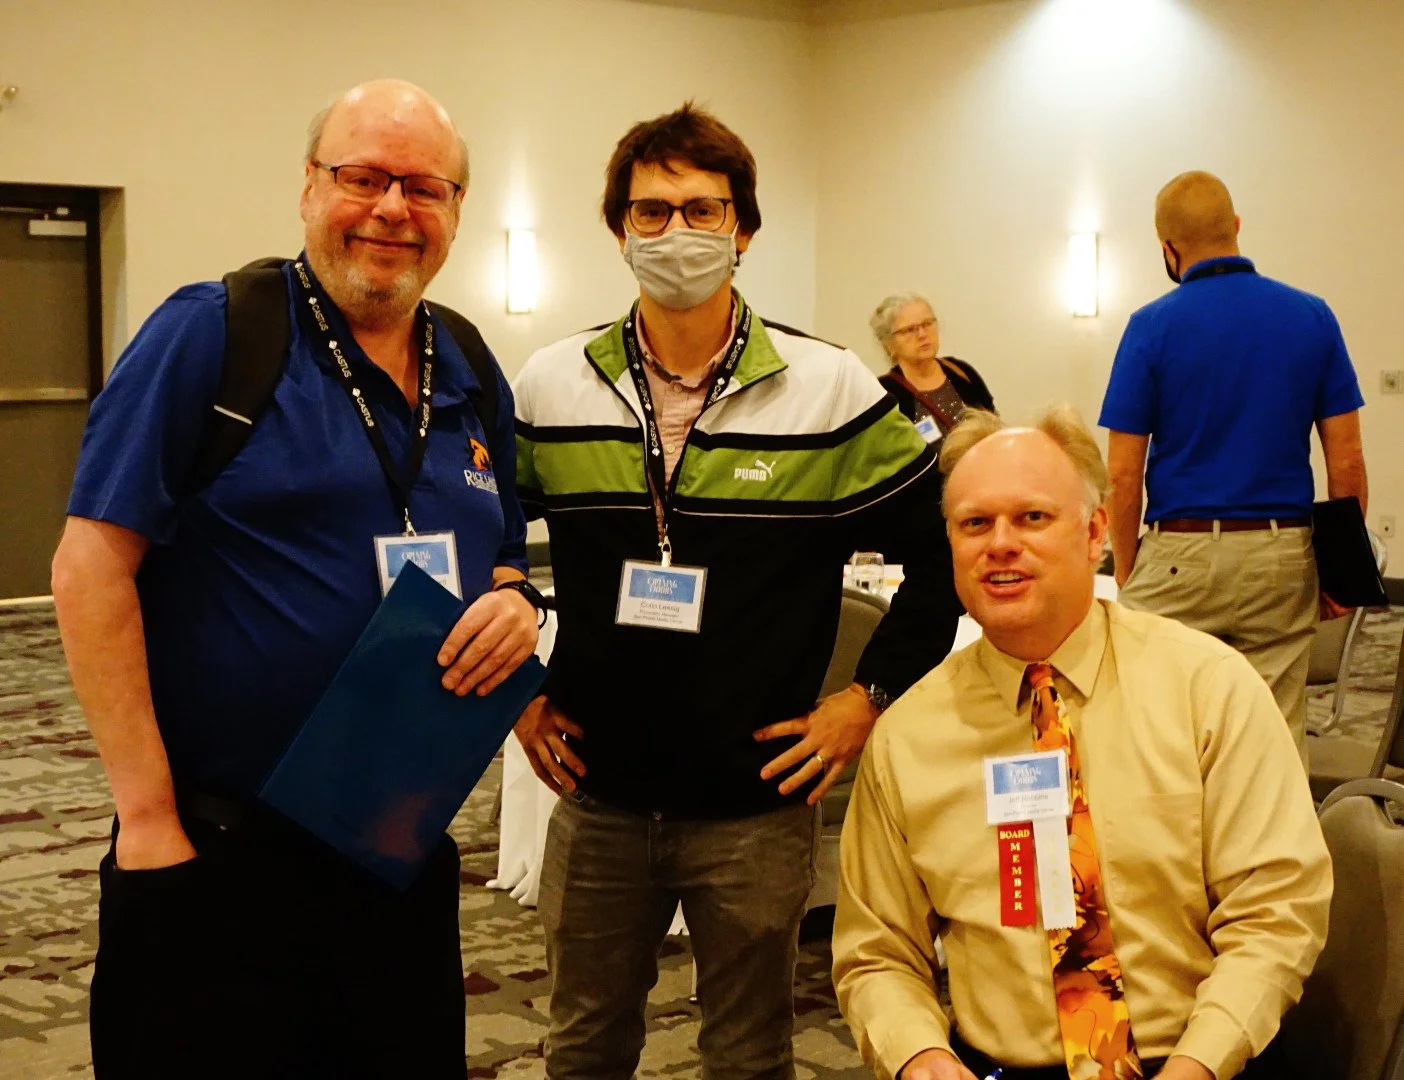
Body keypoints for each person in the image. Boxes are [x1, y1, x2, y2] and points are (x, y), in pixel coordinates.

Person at [50, 80, 540, 1079]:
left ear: (454, 209)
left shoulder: (471, 363)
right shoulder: (214, 336)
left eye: (423, 186)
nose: (391, 209)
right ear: (310, 188)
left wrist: (517, 603)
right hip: (214, 847)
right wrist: (145, 818)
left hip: (397, 844)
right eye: (361, 177)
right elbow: (90, 568)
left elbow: (502, 550)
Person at [511, 103, 962, 1080]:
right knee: (582, 1046)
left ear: (744, 231)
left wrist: (866, 697)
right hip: (598, 796)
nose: (677, 233)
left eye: (703, 211)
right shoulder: (551, 385)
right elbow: (484, 546)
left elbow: (941, 557)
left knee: (749, 1053)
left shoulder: (830, 388)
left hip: (754, 803)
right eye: (651, 212)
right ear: (619, 230)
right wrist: (518, 693)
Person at [833, 407, 1331, 1080]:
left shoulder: (1207, 689)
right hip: (1002, 1067)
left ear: (1095, 530)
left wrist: (1200, 1062)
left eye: (1032, 518)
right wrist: (919, 1055)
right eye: (975, 523)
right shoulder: (909, 736)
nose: (1000, 544)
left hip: (1193, 1059)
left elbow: (1276, 913)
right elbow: (876, 952)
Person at [1099, 170, 1368, 766]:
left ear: (1168, 249)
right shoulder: (1312, 316)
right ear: (1237, 227)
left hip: (1179, 554)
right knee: (1271, 739)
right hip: (1281, 553)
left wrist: (1126, 568)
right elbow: (1345, 459)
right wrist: (1340, 570)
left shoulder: (1150, 326)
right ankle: (1275, 855)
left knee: (1161, 730)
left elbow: (1122, 476)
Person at [872, 292, 995, 445]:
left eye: (928, 323)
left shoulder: (960, 370)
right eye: (910, 330)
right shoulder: (884, 393)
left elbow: (993, 423)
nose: (922, 334)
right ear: (888, 343)